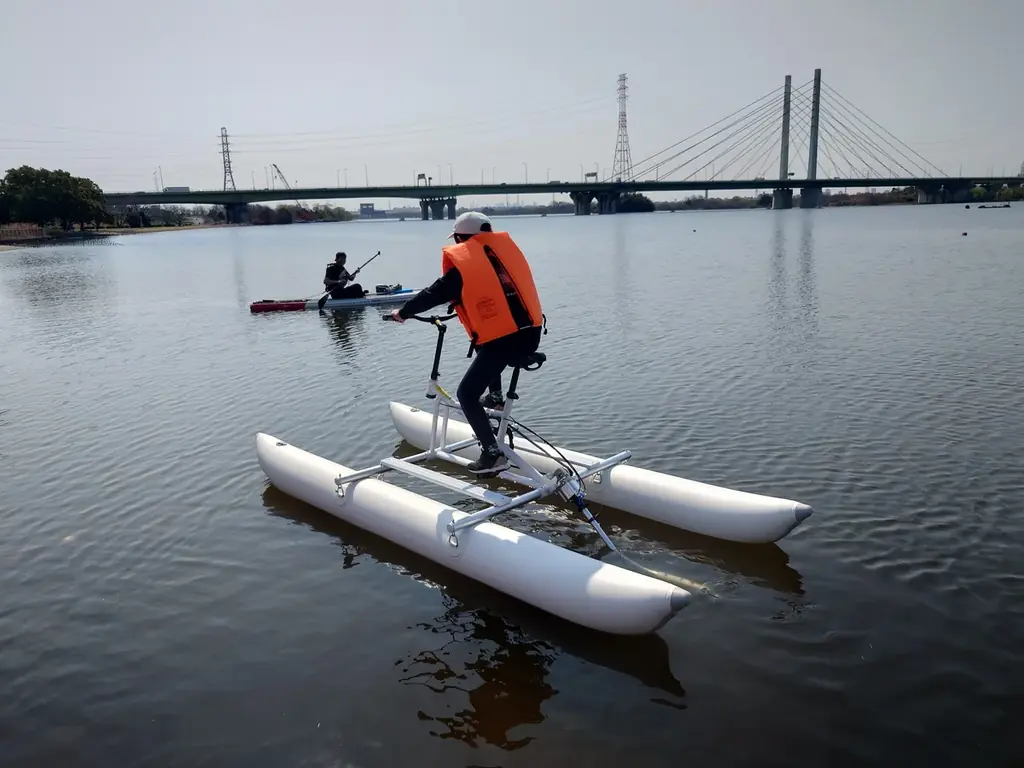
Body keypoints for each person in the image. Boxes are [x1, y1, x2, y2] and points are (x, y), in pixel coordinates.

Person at [389, 211, 545, 474]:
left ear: (462, 238)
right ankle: (495, 397)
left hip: (505, 342)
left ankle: (492, 454)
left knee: (467, 394)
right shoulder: (501, 257)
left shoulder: (466, 264)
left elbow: (433, 294)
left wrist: (403, 312)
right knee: (484, 341)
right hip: (529, 335)